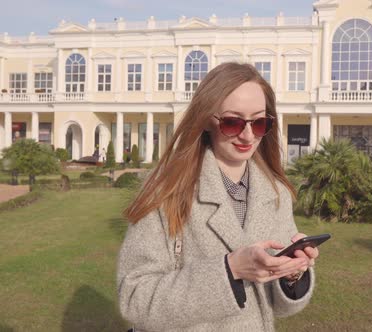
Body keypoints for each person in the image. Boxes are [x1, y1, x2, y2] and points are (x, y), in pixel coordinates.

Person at [117, 62, 318, 331]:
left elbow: (278, 306)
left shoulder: (276, 192)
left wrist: (292, 274)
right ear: (206, 120)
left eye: (259, 123)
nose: (247, 135)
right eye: (233, 122)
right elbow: (134, 299)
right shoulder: (166, 188)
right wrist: (229, 270)